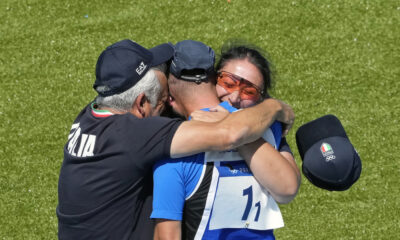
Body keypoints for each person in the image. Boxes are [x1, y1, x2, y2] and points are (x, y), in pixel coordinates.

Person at [56, 39, 296, 240]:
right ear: (141, 105)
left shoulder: (88, 116)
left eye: (249, 89)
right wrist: (274, 107)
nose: (234, 96)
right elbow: (230, 135)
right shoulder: (147, 140)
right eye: (161, 99)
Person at [151, 40, 300, 240]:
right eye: (229, 83)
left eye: (249, 91)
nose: (235, 97)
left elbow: (287, 189)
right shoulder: (270, 127)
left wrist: (235, 128)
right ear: (213, 79)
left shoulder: (173, 148)